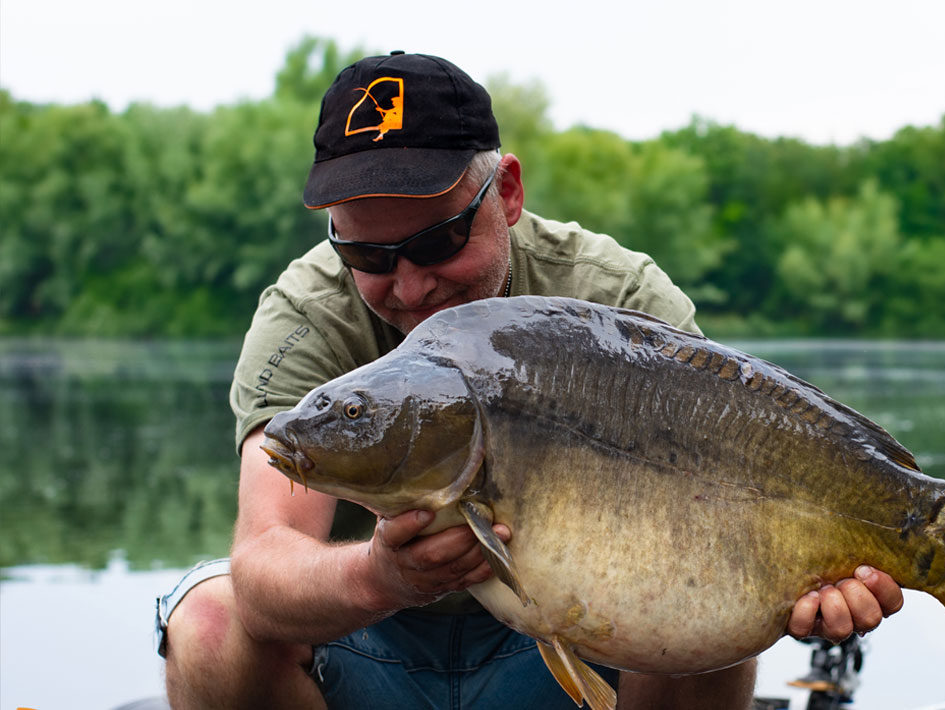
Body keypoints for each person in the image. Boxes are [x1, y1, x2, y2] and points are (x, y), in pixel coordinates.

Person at [156, 51, 904, 710]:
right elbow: (262, 565)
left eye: (438, 240)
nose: (410, 286)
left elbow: (741, 482)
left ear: (506, 193)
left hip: (577, 646)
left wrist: (809, 583)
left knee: (712, 636)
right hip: (366, 649)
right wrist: (384, 576)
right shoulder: (308, 314)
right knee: (211, 623)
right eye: (369, 256)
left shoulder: (616, 297)